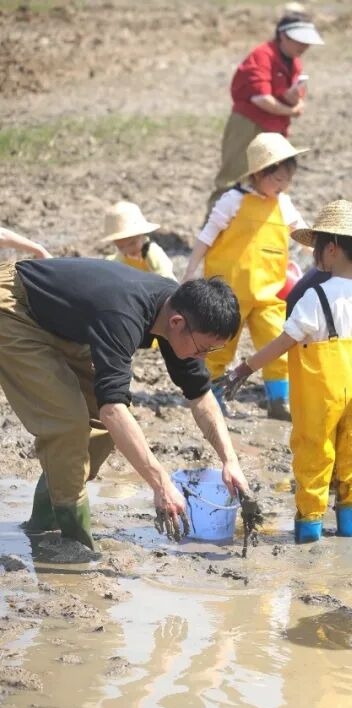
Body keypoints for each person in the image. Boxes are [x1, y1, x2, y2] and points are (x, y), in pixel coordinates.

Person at [0, 258, 251, 550]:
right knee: (67, 425)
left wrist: (229, 460)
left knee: (101, 428)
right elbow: (113, 408)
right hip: (15, 308)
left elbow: (200, 395)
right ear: (176, 323)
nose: (204, 357)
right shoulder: (123, 316)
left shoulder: (178, 309)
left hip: (62, 323)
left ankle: (42, 523)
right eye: (203, 348)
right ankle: (74, 543)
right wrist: (161, 484)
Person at [216, 201, 352, 543]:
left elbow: (282, 343)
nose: (312, 255)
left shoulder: (314, 296)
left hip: (321, 394)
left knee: (314, 456)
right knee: (351, 454)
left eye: (316, 247)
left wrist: (244, 369)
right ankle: (351, 530)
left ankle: (309, 531)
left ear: (332, 249)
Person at [185, 133, 308, 420]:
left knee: (277, 340)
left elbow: (301, 231)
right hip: (229, 292)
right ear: (258, 174)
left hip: (270, 292)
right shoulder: (233, 200)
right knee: (220, 345)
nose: (282, 187)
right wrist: (190, 270)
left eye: (286, 181)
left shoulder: (283, 203)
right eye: (276, 180)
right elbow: (208, 234)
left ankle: (278, 400)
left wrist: (322, 250)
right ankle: (211, 395)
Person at [209, 13, 323, 212]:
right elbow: (260, 99)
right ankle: (212, 232)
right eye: (300, 41)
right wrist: (290, 110)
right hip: (248, 124)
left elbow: (287, 94)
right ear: (283, 36)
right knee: (233, 178)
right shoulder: (262, 55)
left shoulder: (293, 61)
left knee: (270, 181)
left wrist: (294, 99)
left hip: (274, 127)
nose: (304, 47)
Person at [101, 201, 175, 281]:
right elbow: (114, 264)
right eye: (121, 247)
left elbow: (166, 275)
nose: (128, 250)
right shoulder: (122, 257)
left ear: (142, 235)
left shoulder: (151, 252)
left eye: (132, 244)